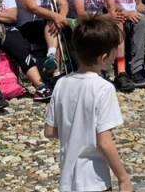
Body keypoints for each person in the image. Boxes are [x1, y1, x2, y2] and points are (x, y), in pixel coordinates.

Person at [44, 17, 131, 192]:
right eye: (115, 52)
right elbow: (104, 143)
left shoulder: (61, 83)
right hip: (94, 179)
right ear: (104, 57)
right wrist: (123, 178)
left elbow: (50, 131)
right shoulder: (104, 88)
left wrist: (75, 133)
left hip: (68, 180)